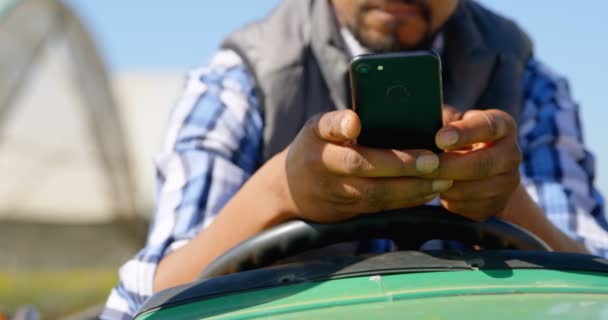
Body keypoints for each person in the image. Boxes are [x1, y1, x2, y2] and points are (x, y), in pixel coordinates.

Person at [101, 0, 608, 318]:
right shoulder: (243, 77)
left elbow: (593, 284)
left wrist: (505, 194)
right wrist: (278, 190)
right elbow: (142, 303)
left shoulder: (529, 83)